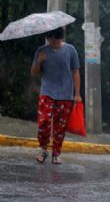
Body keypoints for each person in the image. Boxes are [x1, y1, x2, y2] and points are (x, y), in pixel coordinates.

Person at [31, 27, 81, 164]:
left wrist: (77, 94)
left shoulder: (70, 50)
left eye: (56, 41)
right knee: (44, 122)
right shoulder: (41, 51)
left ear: (61, 38)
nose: (54, 43)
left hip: (65, 94)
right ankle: (43, 148)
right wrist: (39, 61)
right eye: (51, 40)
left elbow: (75, 72)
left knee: (60, 126)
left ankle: (56, 153)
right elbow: (34, 73)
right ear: (48, 38)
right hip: (47, 92)